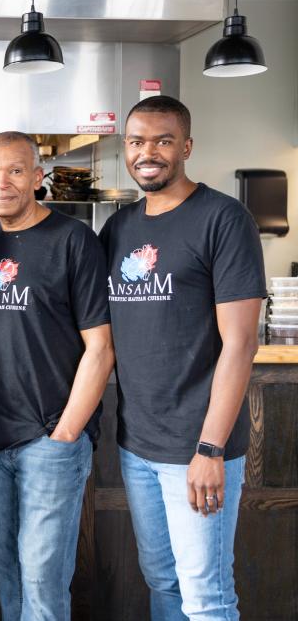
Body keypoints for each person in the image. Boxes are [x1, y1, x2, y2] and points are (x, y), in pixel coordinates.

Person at [99, 96, 265, 620]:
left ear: (186, 146)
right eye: (137, 141)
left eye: (163, 140)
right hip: (138, 445)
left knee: (206, 597)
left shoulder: (224, 219)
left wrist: (211, 448)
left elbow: (241, 343)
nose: (148, 152)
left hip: (198, 447)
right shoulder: (119, 229)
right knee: (163, 582)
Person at [0, 131, 115, 620]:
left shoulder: (74, 241)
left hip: (49, 437)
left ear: (37, 178)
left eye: (14, 170)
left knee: (41, 573)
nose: (2, 182)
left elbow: (100, 346)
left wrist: (66, 433)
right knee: (2, 562)